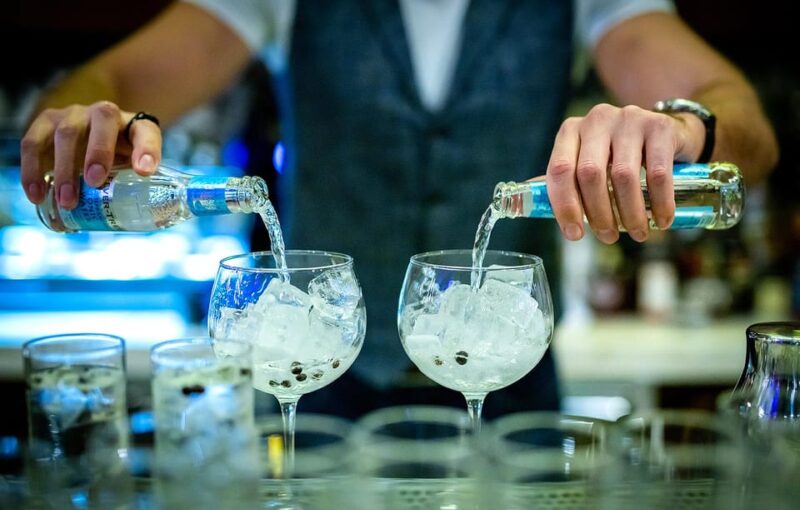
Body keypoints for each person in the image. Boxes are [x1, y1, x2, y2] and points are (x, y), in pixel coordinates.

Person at [19, 1, 778, 418]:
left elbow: (748, 127)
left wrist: (687, 127)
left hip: (517, 397)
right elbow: (105, 76)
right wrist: (81, 122)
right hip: (315, 393)